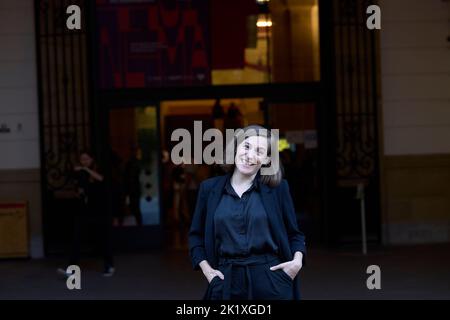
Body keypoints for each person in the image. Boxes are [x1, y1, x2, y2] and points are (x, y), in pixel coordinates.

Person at [188, 125, 306, 300]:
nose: (250, 155)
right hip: (224, 281)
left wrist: (296, 263)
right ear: (236, 148)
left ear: (267, 159)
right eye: (246, 146)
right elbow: (195, 236)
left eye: (259, 151)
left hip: (271, 281)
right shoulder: (209, 189)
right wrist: (207, 271)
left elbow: (294, 234)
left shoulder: (278, 189)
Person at [57, 151, 115, 277]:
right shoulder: (80, 174)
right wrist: (78, 192)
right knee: (76, 239)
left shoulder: (98, 169)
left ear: (92, 159)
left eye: (86, 159)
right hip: (84, 210)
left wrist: (85, 169)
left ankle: (109, 265)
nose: (84, 162)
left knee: (102, 239)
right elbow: (77, 189)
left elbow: (101, 179)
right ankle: (71, 269)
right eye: (82, 160)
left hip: (100, 210)